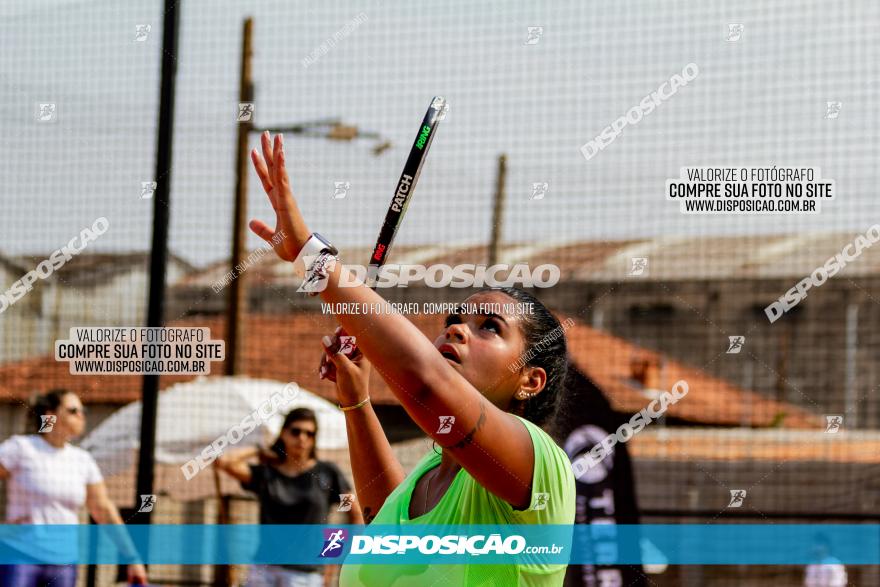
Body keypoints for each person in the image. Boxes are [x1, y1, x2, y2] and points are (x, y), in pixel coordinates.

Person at [248, 130, 576, 585]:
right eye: (456, 319)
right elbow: (386, 529)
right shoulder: (430, 470)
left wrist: (312, 257)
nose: (458, 327)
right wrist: (356, 400)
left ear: (530, 381)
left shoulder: (540, 467)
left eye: (490, 327)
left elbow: (424, 382)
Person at [0, 389, 148, 587]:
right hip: (20, 556)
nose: (81, 415)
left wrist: (132, 557)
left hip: (63, 562)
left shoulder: (82, 460)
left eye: (83, 411)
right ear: (50, 416)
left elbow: (103, 509)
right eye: (73, 410)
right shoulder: (21, 448)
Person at [215, 407, 363, 587]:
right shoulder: (267, 475)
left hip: (306, 574)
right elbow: (223, 462)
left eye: (309, 433)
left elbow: (354, 514)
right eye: (296, 431)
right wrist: (258, 450)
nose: (302, 438)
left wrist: (332, 561)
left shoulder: (328, 474)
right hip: (264, 570)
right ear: (284, 433)